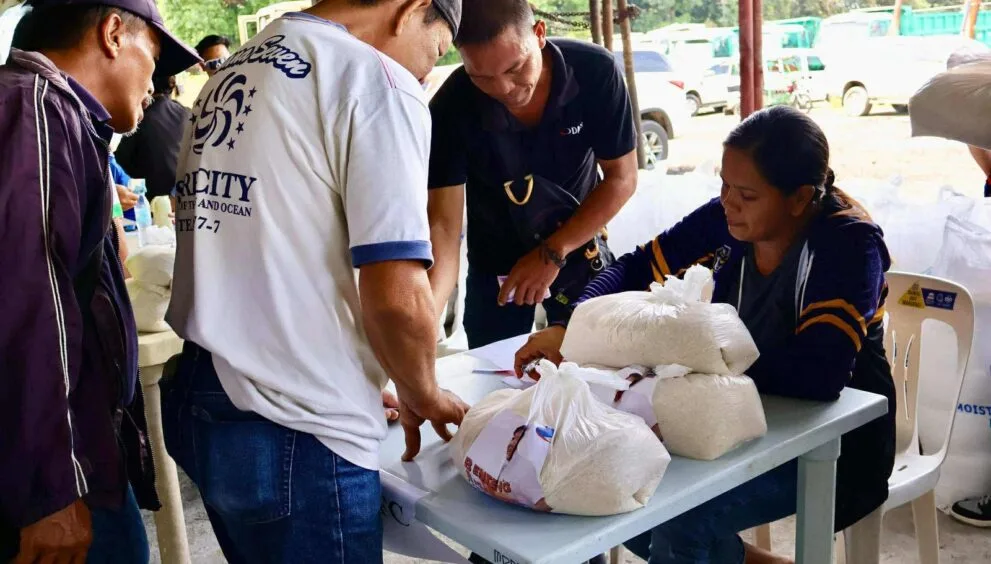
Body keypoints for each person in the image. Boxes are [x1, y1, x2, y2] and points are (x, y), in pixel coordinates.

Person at [516, 106, 897, 564]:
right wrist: (571, 325)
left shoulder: (849, 245)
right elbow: (637, 266)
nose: (728, 202)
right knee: (614, 487)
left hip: (837, 441)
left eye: (747, 195)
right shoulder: (726, 220)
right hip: (732, 415)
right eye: (724, 185)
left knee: (678, 519)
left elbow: (820, 375)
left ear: (799, 199)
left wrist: (680, 354)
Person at [162, 1, 467, 562]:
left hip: (207, 396)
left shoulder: (232, 70)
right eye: (436, 50)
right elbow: (397, 297)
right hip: (298, 424)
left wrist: (364, 367)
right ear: (414, 9)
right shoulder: (375, 82)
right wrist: (423, 390)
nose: (427, 72)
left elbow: (271, 253)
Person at [0, 0, 199, 562]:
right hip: (54, 472)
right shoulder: (36, 113)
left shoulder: (53, 115)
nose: (154, 85)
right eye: (153, 58)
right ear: (113, 33)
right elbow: (30, 302)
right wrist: (49, 489)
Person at [427, 0, 638, 349]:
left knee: (595, 354)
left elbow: (622, 178)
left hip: (577, 244)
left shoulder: (594, 71)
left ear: (539, 33)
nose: (503, 89)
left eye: (515, 68)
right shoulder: (452, 106)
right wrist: (428, 313)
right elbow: (444, 226)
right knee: (493, 366)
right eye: (482, 77)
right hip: (494, 261)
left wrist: (553, 252)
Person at [115, 72, 192, 201]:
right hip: (183, 196)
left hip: (147, 202)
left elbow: (120, 164)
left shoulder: (139, 118)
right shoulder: (187, 113)